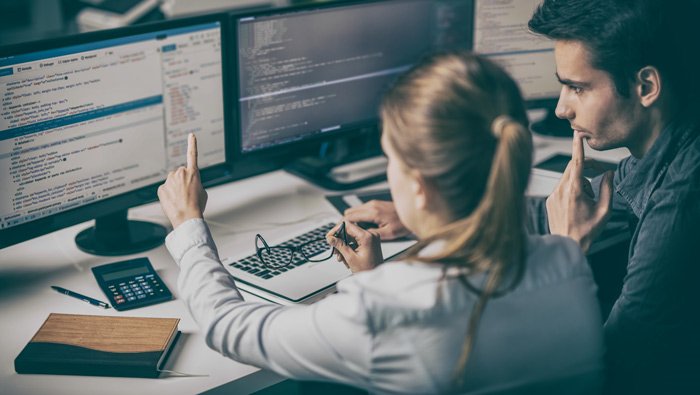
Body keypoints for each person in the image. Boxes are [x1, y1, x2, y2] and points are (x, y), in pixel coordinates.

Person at [157, 52, 604, 394]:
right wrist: (374, 279)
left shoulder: (384, 309)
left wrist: (188, 222)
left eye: (391, 158)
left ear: (420, 187)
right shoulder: (567, 257)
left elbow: (228, 328)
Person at [348, 0, 700, 392]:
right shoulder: (665, 148)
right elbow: (566, 208)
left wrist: (568, 250)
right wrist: (436, 213)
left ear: (646, 87)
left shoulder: (682, 201)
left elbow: (611, 372)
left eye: (577, 87)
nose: (561, 108)